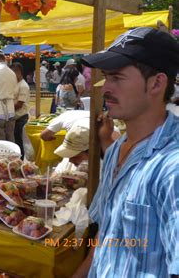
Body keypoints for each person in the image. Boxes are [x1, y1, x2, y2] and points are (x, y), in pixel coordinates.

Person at [73, 27, 179, 277]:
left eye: (117, 78)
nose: (105, 88)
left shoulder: (172, 168)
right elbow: (107, 233)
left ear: (156, 83)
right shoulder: (116, 149)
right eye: (107, 77)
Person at [10, 62, 30, 159]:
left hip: (20, 118)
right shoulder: (15, 83)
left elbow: (19, 104)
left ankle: (20, 161)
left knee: (19, 142)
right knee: (15, 141)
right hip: (14, 117)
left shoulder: (23, 86)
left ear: (19, 72)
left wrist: (7, 109)